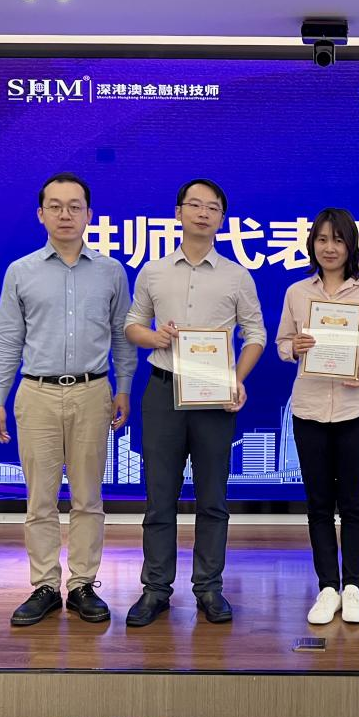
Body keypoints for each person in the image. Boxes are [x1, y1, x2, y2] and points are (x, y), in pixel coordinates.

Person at [0, 172, 136, 627]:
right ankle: (46, 587)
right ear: (41, 214)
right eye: (55, 206)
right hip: (36, 393)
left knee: (89, 498)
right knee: (41, 500)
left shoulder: (111, 271)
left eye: (75, 206)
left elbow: (122, 336)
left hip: (93, 392)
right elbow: (7, 339)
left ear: (89, 214)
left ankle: (84, 584)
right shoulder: (21, 271)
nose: (65, 214)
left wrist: (124, 387)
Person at [123, 179, 265, 626]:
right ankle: (155, 590)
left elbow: (256, 334)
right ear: (178, 212)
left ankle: (209, 588)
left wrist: (236, 379)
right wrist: (154, 337)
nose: (203, 213)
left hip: (214, 397)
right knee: (159, 498)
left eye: (213, 207)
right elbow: (132, 324)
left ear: (222, 218)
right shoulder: (154, 271)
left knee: (212, 499)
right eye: (195, 205)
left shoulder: (236, 276)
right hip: (163, 390)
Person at [275, 208, 359, 625]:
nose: (330, 248)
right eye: (322, 239)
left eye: (338, 240)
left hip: (355, 407)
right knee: (318, 504)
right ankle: (327, 587)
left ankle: (354, 587)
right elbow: (282, 343)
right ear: (312, 244)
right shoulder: (296, 292)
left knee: (354, 503)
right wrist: (294, 347)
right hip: (309, 408)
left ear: (351, 246)